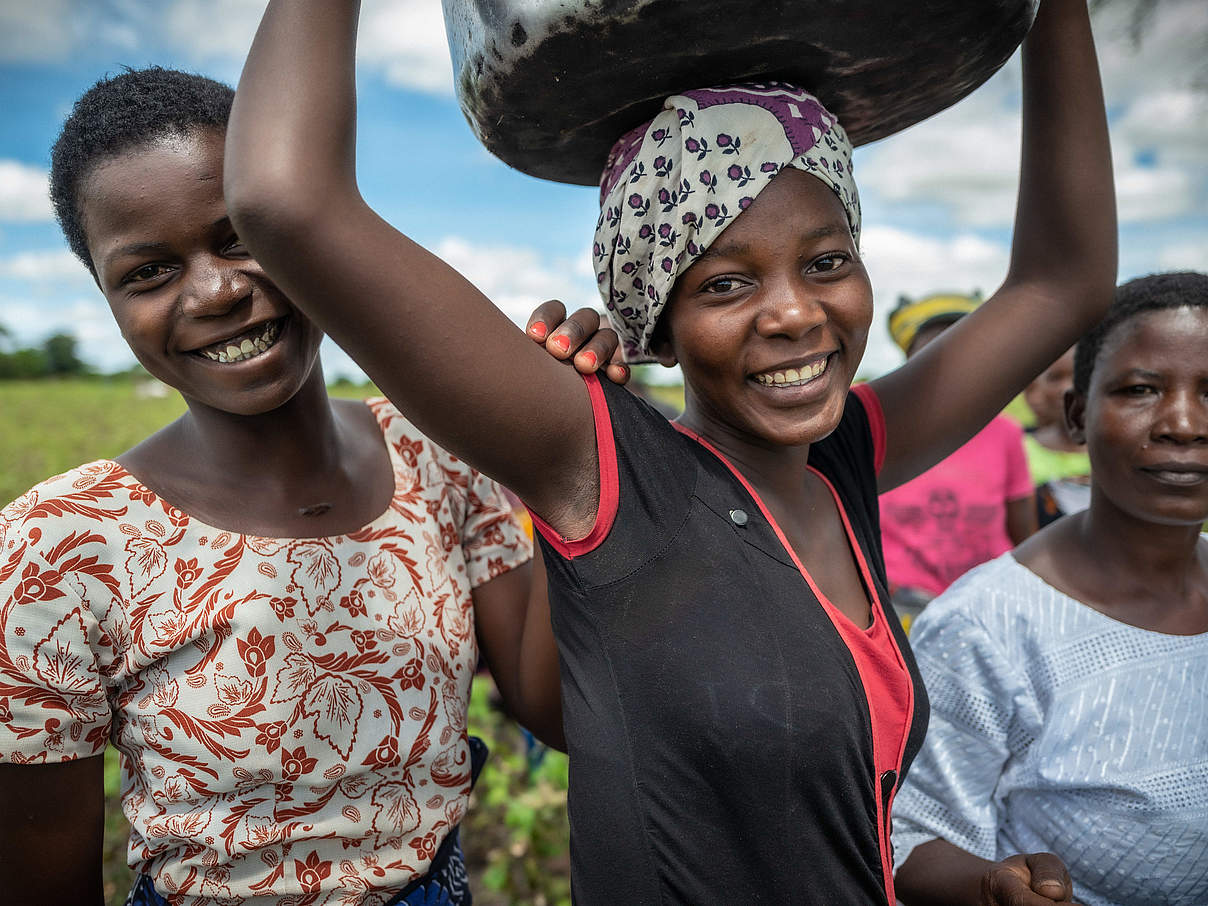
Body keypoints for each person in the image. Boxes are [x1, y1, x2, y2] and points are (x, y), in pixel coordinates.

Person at [223, 0, 1116, 901]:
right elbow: (283, 198)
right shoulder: (609, 469)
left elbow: (1062, 280)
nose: (796, 312)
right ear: (660, 318)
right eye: (727, 282)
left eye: (827, 261)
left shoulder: (840, 462)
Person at [0, 68, 622, 906]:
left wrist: (569, 445)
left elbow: (554, 712)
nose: (216, 290)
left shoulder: (438, 450)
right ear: (106, 298)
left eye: (239, 237)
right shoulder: (56, 547)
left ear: (305, 235)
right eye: (148, 271)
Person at [892, 272, 1208, 906]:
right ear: (1077, 414)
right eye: (1141, 389)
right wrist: (994, 886)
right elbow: (906, 840)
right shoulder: (985, 628)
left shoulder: (1000, 442)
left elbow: (1014, 518)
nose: (1182, 423)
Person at [878, 294, 1036, 627]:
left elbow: (1024, 531)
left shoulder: (1005, 433)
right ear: (908, 363)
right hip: (900, 606)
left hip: (988, 604)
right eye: (932, 355)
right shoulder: (881, 432)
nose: (950, 367)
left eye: (966, 351)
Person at [1023, 347, 1093, 525]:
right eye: (1055, 378)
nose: (1066, 388)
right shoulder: (1021, 449)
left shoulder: (1118, 449)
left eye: (1077, 376)